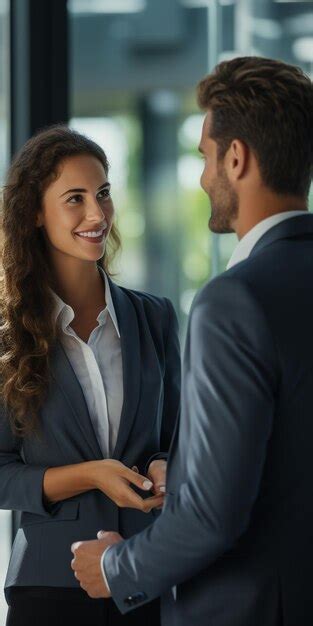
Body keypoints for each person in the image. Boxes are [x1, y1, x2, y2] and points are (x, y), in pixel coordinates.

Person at [72, 56, 313, 625]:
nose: (204, 177)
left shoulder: (234, 301)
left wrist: (115, 568)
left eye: (206, 156)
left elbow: (213, 516)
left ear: (237, 158)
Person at [0, 125, 181, 626]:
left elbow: (177, 437)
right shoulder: (7, 337)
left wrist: (166, 465)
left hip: (145, 571)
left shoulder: (155, 317)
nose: (97, 214)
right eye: (74, 199)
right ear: (35, 213)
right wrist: (91, 476)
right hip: (49, 586)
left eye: (102, 193)